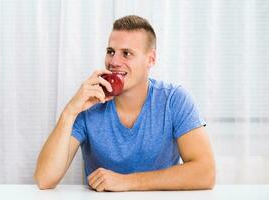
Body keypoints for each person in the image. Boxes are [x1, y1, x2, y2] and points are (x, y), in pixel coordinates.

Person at [34, 15, 216, 192]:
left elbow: (205, 173)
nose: (113, 62)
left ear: (150, 59)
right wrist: (70, 111)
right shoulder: (89, 103)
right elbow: (45, 179)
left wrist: (126, 182)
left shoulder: (174, 100)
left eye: (126, 54)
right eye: (110, 52)